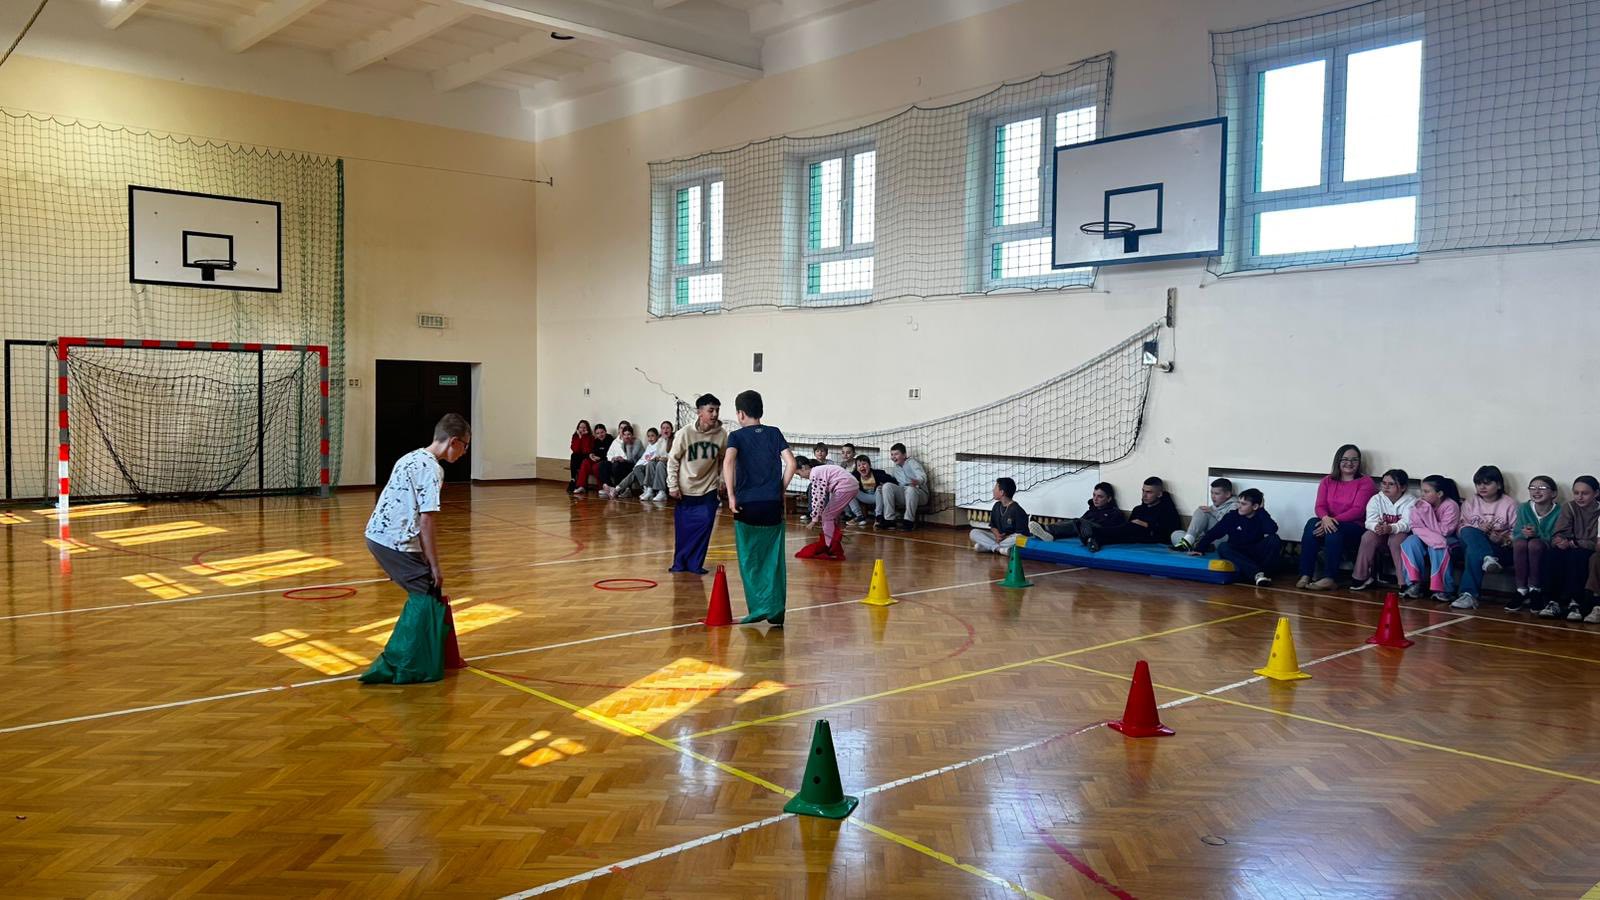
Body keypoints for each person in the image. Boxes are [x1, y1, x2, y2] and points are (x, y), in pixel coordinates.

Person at [360, 413, 471, 685]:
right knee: (427, 591)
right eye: (465, 445)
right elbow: (426, 520)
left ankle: (433, 655)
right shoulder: (433, 469)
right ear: (453, 442)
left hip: (377, 535)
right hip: (393, 541)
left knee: (428, 589)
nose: (465, 452)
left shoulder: (409, 457)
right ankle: (402, 663)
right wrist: (434, 565)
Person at [723, 390, 797, 625]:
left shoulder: (736, 436)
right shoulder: (774, 433)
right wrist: (780, 489)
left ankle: (757, 609)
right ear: (760, 411)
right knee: (774, 559)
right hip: (772, 504)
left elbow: (728, 462)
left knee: (750, 559)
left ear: (740, 414)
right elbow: (792, 463)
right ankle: (775, 611)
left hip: (747, 504)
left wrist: (731, 495)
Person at [1297, 444, 1378, 590]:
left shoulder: (1366, 482)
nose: (1349, 463)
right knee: (1311, 524)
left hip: (1355, 526)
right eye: (1345, 459)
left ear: (1359, 462)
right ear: (1338, 461)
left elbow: (1358, 510)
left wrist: (1331, 521)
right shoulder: (1327, 481)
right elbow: (1320, 506)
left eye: (1354, 460)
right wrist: (1325, 519)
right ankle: (1305, 574)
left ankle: (1330, 578)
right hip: (1329, 521)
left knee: (1334, 529)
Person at [667, 394, 727, 575]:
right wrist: (673, 485)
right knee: (684, 530)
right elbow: (673, 460)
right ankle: (680, 564)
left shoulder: (722, 435)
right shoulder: (684, 433)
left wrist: (722, 480)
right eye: (711, 410)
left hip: (708, 488)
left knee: (705, 527)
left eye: (717, 410)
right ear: (700, 412)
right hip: (686, 489)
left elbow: (725, 459)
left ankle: (695, 564)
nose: (715, 414)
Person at [1452, 465, 1519, 609]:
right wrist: (1478, 528)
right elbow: (1461, 528)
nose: (1482, 487)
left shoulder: (1510, 504)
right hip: (1474, 541)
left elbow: (1517, 533)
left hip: (1499, 547)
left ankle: (1468, 595)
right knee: (1468, 531)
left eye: (1487, 483)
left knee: (1473, 552)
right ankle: (1487, 557)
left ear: (1499, 485)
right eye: (1478, 484)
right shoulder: (1471, 502)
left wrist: (1503, 539)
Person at [1189, 487, 1280, 586]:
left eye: (1243, 504)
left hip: (1255, 551)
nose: (1239, 506)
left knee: (1274, 539)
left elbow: (1272, 530)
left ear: (1255, 506)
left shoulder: (1260, 516)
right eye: (1239, 503)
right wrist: (1199, 548)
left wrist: (1261, 510)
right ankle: (1257, 574)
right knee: (1223, 547)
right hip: (1238, 552)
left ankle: (1263, 573)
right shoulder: (1232, 516)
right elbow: (1214, 532)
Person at [1399, 475, 1462, 601]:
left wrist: (1427, 516)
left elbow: (1445, 531)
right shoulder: (1420, 504)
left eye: (1426, 491)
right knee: (1409, 542)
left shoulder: (1451, 506)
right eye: (1422, 491)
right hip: (1425, 537)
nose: (1422, 495)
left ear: (1439, 494)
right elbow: (1416, 527)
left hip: (1449, 540)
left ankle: (1443, 589)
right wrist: (1430, 536)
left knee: (1438, 546)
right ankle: (1414, 584)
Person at [1545, 475, 1599, 621]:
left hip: (1588, 548)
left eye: (1585, 493)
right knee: (1553, 554)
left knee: (1578, 556)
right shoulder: (1569, 507)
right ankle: (1553, 602)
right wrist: (1560, 541)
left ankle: (1576, 603)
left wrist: (1577, 543)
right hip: (1570, 545)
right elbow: (1559, 532)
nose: (1579, 497)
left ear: (1596, 493)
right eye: (1576, 493)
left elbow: (1595, 541)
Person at [1351, 469, 1415, 591]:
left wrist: (1391, 528)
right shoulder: (1376, 499)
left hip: (1400, 533)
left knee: (1396, 541)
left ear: (1402, 487)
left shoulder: (1411, 501)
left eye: (1391, 484)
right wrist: (1377, 526)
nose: (1386, 487)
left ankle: (1403, 581)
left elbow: (1408, 523)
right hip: (1381, 532)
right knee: (1367, 537)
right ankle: (1360, 577)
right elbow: (1369, 521)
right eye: (1384, 483)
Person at [1080, 477, 1179, 552]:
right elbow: (1125, 529)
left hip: (1153, 537)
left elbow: (1170, 533)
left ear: (1159, 494)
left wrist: (1145, 524)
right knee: (1123, 534)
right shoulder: (1138, 509)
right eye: (1143, 491)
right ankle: (1094, 539)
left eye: (1149, 492)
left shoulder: (1167, 510)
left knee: (1132, 528)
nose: (1144, 495)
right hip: (1135, 536)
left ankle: (1094, 532)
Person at [1510, 475, 1560, 611]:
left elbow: (1556, 536)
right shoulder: (1524, 508)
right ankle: (1521, 590)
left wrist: (1537, 534)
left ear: (1553, 493)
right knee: (1519, 544)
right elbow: (1516, 533)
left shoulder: (1560, 511)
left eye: (1542, 488)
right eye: (1532, 488)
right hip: (1524, 544)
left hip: (1546, 547)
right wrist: (1525, 533)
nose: (1536, 491)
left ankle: (1535, 590)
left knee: (1535, 544)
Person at [794, 456, 859, 560]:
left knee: (827, 516)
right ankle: (833, 542)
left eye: (798, 474)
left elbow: (818, 498)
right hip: (850, 486)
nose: (801, 477)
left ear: (804, 467)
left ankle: (829, 547)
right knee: (832, 516)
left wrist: (814, 519)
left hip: (846, 487)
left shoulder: (815, 474)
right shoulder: (818, 470)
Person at [1027, 482, 1125, 542]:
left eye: (1100, 496)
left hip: (1099, 532)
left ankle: (1047, 529)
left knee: (1078, 522)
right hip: (1085, 530)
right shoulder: (1092, 511)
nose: (1095, 499)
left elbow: (1113, 531)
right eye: (1094, 495)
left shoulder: (1115, 513)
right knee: (1076, 522)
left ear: (1109, 499)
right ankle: (1049, 533)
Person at [1172, 478, 1239, 551]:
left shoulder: (1235, 506)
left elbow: (1228, 525)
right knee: (1175, 534)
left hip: (1221, 539)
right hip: (1206, 539)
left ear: (1228, 494)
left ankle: (1190, 543)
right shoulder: (1214, 506)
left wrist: (1213, 512)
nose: (1213, 496)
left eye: (1217, 494)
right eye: (1211, 493)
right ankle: (1194, 544)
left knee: (1202, 511)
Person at [878, 443, 930, 531]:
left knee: (910, 489)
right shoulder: (895, 468)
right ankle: (889, 520)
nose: (893, 457)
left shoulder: (912, 462)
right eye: (892, 454)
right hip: (905, 493)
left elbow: (923, 476)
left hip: (919, 494)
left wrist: (917, 481)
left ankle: (909, 521)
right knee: (887, 486)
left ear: (904, 455)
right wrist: (883, 487)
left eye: (896, 454)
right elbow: (895, 484)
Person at [971, 477, 1029, 555]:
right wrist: (997, 535)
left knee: (1020, 539)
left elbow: (1023, 534)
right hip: (998, 539)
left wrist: (1004, 538)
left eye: (995, 488)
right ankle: (999, 549)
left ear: (1002, 492)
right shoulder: (996, 506)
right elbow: (993, 526)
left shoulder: (1017, 510)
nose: (993, 490)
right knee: (973, 532)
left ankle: (989, 546)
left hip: (1010, 538)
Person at [612, 426, 667, 500]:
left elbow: (633, 458)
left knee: (636, 469)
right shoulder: (649, 446)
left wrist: (629, 445)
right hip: (643, 465)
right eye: (648, 436)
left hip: (651, 465)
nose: (650, 438)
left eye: (652, 436)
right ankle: (618, 488)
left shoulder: (658, 444)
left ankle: (645, 489)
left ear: (657, 436)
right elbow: (643, 458)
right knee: (635, 470)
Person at [846, 454, 896, 525]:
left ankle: (878, 516)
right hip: (864, 497)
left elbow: (894, 481)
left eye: (864, 464)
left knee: (879, 488)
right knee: (849, 490)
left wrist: (884, 485)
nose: (862, 466)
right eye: (859, 465)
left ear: (869, 465)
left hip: (878, 497)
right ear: (857, 468)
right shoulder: (855, 476)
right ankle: (859, 516)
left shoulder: (878, 473)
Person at [599, 424, 643, 498]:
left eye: (629, 434)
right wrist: (614, 458)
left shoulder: (637, 442)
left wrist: (628, 446)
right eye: (624, 434)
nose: (626, 436)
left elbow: (631, 459)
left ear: (632, 435)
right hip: (624, 463)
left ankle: (618, 489)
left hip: (635, 464)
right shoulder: (621, 443)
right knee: (603, 463)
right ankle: (609, 486)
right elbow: (609, 454)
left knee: (617, 465)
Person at [574, 424, 611, 495]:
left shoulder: (610, 439)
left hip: (605, 461)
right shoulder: (596, 441)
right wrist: (591, 455)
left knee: (596, 467)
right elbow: (592, 451)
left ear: (605, 431)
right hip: (596, 460)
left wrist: (600, 458)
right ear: (595, 434)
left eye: (602, 432)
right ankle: (581, 486)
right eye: (598, 433)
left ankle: (602, 487)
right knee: (585, 462)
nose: (600, 435)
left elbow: (610, 454)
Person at [568, 420, 594, 493]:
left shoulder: (591, 437)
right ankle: (573, 479)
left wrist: (583, 437)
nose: (582, 429)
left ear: (587, 428)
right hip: (578, 457)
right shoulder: (575, 436)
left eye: (584, 427)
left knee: (579, 457)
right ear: (578, 428)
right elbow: (575, 449)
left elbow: (586, 450)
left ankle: (576, 482)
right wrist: (579, 438)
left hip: (586, 456)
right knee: (574, 455)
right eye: (580, 427)